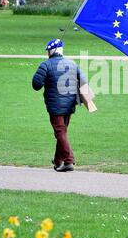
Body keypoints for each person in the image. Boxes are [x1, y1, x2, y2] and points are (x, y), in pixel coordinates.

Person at [32, 39, 87, 172]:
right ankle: (58, 161)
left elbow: (36, 85)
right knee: (62, 132)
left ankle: (69, 161)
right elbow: (84, 82)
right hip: (70, 104)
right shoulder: (72, 63)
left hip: (55, 105)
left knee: (60, 132)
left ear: (52, 51)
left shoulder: (46, 65)